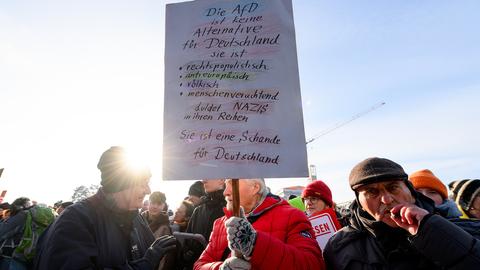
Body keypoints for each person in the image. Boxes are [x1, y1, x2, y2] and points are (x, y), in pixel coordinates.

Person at [323, 157, 480, 269]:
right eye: (372, 192)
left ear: (411, 191)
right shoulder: (339, 246)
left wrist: (431, 229)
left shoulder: (466, 229)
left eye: (393, 188)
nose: (386, 199)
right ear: (359, 202)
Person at [34, 146, 176, 270]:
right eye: (143, 183)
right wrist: (144, 265)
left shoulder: (137, 219)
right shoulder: (75, 220)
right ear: (123, 183)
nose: (148, 190)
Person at [195, 178, 324, 270]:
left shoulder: (292, 216)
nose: (225, 192)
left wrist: (256, 244)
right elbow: (199, 265)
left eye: (232, 183)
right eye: (226, 184)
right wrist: (220, 268)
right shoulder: (219, 223)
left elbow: (313, 264)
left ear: (255, 188)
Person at [181, 179, 225, 269]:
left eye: (209, 175)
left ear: (221, 180)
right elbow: (187, 239)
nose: (204, 180)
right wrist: (187, 253)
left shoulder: (231, 209)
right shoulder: (198, 210)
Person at [142, 191, 175, 270]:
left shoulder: (165, 227)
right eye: (153, 203)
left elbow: (165, 256)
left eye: (159, 204)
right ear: (148, 203)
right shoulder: (138, 220)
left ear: (163, 206)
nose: (155, 206)